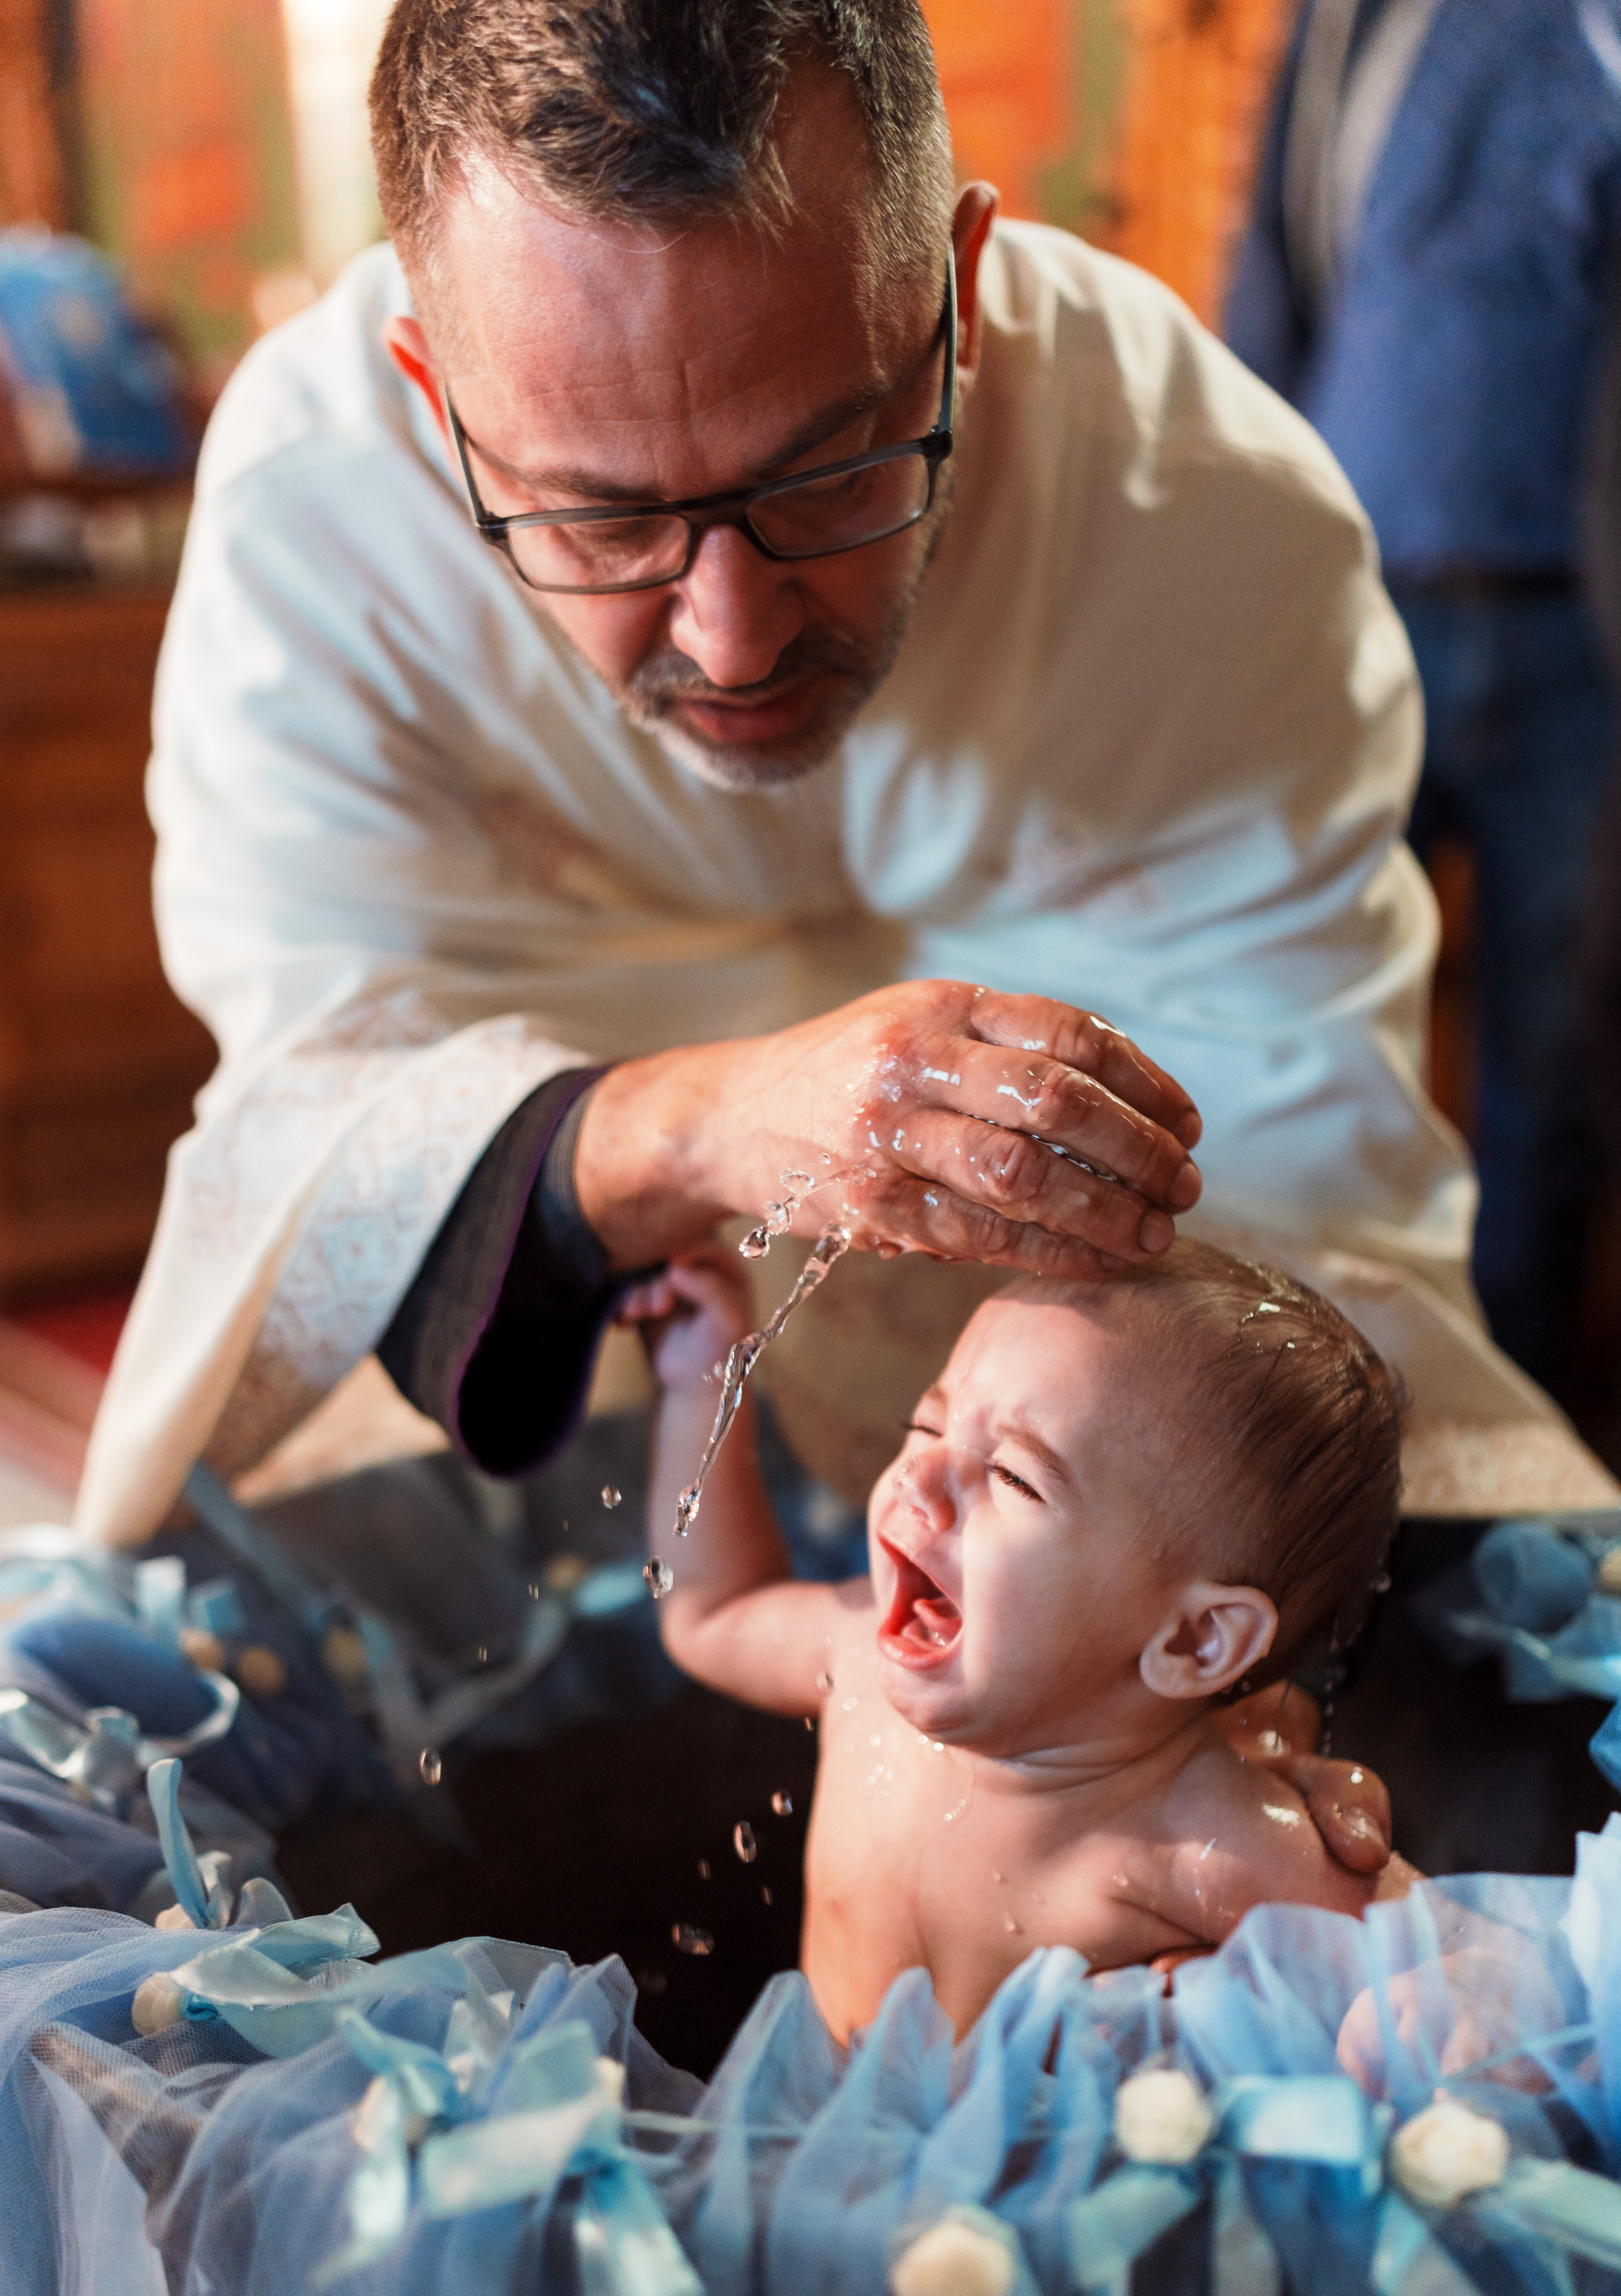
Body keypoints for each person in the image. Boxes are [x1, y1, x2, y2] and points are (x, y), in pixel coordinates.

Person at [76, 0, 1601, 1557]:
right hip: (555, 1421)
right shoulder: (317, 512)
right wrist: (691, 1124)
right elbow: (325, 1106)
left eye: (833, 470)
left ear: (961, 287)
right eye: (600, 524)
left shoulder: (1214, 519)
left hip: (1084, 1479)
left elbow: (1298, 1197)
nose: (731, 642)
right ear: (429, 390)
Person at [628, 1235, 1414, 2039]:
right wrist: (701, 1383)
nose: (918, 1479)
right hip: (809, 2150)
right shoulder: (858, 1657)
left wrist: (1428, 2013)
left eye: (1012, 1477)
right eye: (926, 1424)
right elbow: (712, 1611)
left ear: (1192, 1641)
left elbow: (1441, 1967)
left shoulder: (1199, 1838)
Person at [1226, 0, 1621, 1393]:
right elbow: (1269, 280)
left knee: (1549, 1067)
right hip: (1356, 606)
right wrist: (1246, 549)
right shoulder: (1346, 20)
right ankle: (1307, 1405)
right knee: (1311, 1028)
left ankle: (1512, 1435)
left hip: (1576, 639)